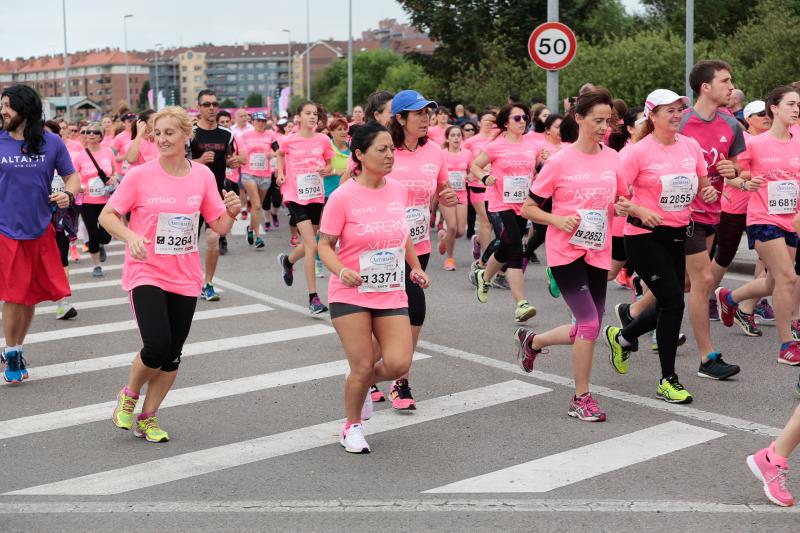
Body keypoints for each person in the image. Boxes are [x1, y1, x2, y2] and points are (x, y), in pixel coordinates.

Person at [102, 106, 240, 442]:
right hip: (146, 271)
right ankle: (130, 394)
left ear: (185, 135)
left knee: (173, 353)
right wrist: (131, 236)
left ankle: (148, 417)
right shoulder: (140, 176)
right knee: (156, 344)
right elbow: (107, 216)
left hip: (185, 274)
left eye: (169, 133)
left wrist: (233, 212)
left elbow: (218, 226)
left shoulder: (202, 176)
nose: (162, 139)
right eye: (158, 133)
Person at [516, 88, 627, 421]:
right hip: (565, 252)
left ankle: (532, 342)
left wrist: (624, 206)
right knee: (591, 323)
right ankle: (581, 397)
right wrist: (557, 219)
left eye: (607, 121)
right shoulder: (560, 161)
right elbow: (527, 208)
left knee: (586, 326)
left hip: (598, 249)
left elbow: (621, 197)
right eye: (596, 120)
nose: (603, 127)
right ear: (578, 119)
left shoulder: (612, 158)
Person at [318, 122, 430, 453]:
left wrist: (416, 267)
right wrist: (341, 270)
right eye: (381, 150)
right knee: (363, 364)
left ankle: (363, 386)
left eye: (391, 149)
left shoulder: (397, 189)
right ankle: (351, 426)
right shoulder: (342, 197)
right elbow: (325, 244)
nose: (389, 156)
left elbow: (403, 233)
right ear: (359, 155)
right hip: (350, 292)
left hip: (390, 290)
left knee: (398, 363)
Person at [603, 89, 717, 404]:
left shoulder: (691, 146)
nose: (677, 114)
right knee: (673, 302)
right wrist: (640, 210)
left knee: (669, 302)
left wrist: (706, 194)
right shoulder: (637, 152)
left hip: (677, 234)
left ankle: (623, 336)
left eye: (679, 109)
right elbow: (615, 195)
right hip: (642, 237)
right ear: (652, 116)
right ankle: (668, 380)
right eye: (669, 110)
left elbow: (702, 186)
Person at [0, 85, 80, 383]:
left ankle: (18, 346)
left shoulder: (51, 142)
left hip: (40, 228)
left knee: (30, 295)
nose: (3, 110)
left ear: (26, 108)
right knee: (14, 294)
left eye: (8, 105)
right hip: (5, 229)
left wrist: (68, 195)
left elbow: (72, 176)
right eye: (2, 104)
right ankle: (11, 352)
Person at [383, 89, 457, 409]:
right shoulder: (386, 151)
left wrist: (447, 200)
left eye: (428, 113)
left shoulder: (435, 152)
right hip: (383, 245)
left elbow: (442, 188)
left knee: (413, 311)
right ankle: (376, 373)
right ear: (400, 119)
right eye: (419, 114)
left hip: (419, 244)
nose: (426, 119)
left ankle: (400, 379)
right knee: (388, 311)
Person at [715, 86, 800, 364]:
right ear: (774, 108)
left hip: (791, 220)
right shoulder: (755, 143)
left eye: (798, 105)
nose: (796, 109)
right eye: (791, 104)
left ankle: (730, 298)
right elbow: (729, 174)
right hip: (763, 219)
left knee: (772, 283)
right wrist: (744, 182)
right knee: (788, 277)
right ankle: (787, 345)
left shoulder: (798, 141)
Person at [709, 100, 773, 337]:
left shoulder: (775, 141)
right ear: (748, 119)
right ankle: (709, 297)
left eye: (767, 112)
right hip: (735, 205)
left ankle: (756, 301)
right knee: (724, 255)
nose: (766, 117)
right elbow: (731, 173)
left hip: (760, 206)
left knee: (765, 256)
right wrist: (754, 174)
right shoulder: (745, 141)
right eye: (760, 114)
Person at [471, 102, 538, 322]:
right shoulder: (495, 146)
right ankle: (521, 303)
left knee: (508, 244)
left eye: (525, 117)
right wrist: (485, 178)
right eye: (517, 118)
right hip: (499, 203)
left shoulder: (532, 145)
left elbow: (537, 170)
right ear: (506, 123)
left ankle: (484, 275)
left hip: (522, 204)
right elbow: (475, 165)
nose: (522, 121)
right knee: (515, 248)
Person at [275, 101, 334, 314]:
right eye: (307, 113)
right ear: (299, 117)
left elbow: (329, 163)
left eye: (315, 114)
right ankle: (313, 298)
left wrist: (327, 170)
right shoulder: (289, 140)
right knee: (311, 244)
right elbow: (280, 154)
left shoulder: (323, 140)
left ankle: (288, 260)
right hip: (294, 195)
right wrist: (280, 173)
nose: (312, 117)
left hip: (315, 196)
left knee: (312, 242)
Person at [189, 89, 239, 301]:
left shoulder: (227, 134)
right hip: (190, 195)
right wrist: (198, 162)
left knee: (212, 239)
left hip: (215, 194)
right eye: (206, 104)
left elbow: (228, 158)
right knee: (188, 242)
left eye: (214, 104)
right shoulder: (190, 133)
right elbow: (177, 163)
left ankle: (208, 283)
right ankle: (187, 281)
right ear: (198, 108)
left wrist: (231, 162)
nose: (211, 108)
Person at [74, 121, 117, 278]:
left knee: (105, 236)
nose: (90, 135)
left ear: (101, 136)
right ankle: (96, 265)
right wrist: (79, 187)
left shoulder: (108, 152)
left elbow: (114, 172)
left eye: (94, 132)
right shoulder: (80, 156)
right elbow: (73, 176)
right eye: (88, 132)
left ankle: (100, 244)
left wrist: (113, 178)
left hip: (105, 199)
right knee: (92, 233)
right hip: (87, 201)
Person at [463, 111, 497, 265]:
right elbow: (463, 158)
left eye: (492, 120)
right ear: (480, 121)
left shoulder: (498, 139)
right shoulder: (471, 141)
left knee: (492, 222)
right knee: (485, 221)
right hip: (477, 184)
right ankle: (486, 259)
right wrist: (468, 173)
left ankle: (478, 241)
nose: (490, 122)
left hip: (494, 185)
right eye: (486, 119)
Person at [239, 111, 275, 250]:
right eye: (258, 120)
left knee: (255, 208)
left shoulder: (271, 135)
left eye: (263, 121)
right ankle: (258, 237)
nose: (261, 123)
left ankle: (250, 228)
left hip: (265, 175)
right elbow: (238, 153)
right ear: (252, 122)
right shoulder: (244, 136)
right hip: (249, 174)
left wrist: (271, 154)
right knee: (257, 205)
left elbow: (278, 151)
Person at [438, 125, 472, 270]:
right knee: (451, 227)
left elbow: (472, 171)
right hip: (446, 195)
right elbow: (437, 174)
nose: (456, 138)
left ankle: (444, 239)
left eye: (458, 135)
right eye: (453, 135)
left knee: (460, 231)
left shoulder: (468, 154)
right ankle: (450, 259)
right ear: (447, 138)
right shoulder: (442, 154)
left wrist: (470, 176)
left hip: (462, 194)